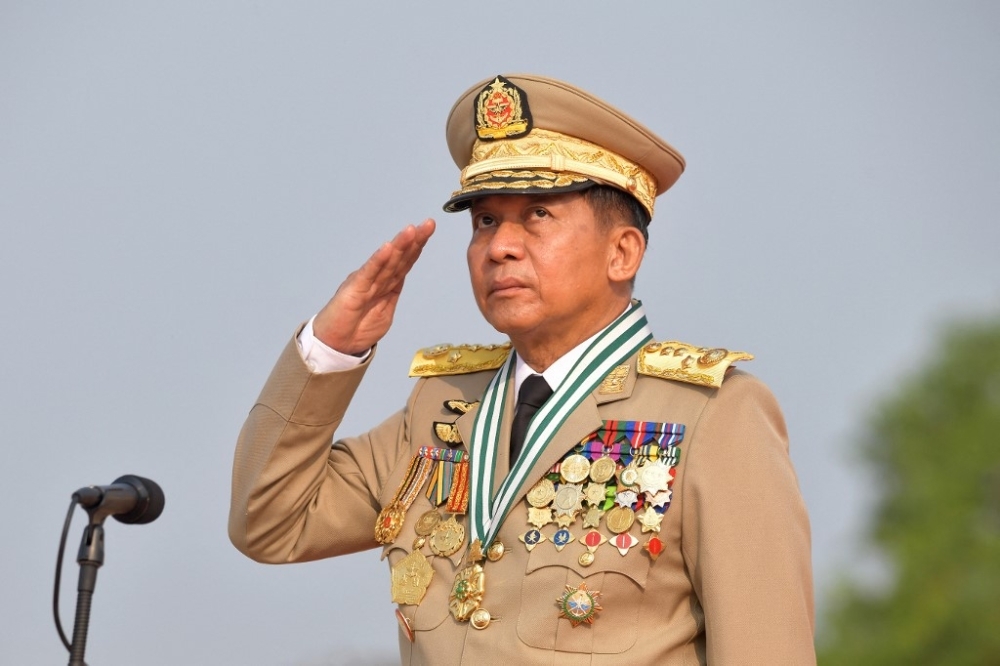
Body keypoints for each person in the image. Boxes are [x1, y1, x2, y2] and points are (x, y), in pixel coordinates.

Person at [229, 73, 816, 664]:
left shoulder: (712, 417)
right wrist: (331, 350)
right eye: (485, 221)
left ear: (623, 252)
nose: (500, 246)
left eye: (537, 214)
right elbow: (271, 522)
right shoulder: (441, 409)